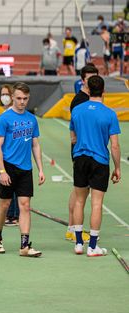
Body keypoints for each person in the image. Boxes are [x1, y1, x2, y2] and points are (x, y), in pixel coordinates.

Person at [0, 82, 45, 257]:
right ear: (13, 97)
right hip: (8, 167)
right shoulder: (4, 119)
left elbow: (35, 145)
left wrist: (41, 169)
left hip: (25, 169)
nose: (22, 102)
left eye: (25, 99)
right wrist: (2, 171)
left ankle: (24, 246)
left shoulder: (31, 119)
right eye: (19, 98)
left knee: (25, 206)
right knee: (5, 204)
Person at [70, 75, 121, 256]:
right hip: (99, 160)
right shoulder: (109, 114)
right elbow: (114, 145)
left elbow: (73, 138)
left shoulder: (77, 110)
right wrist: (117, 168)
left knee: (79, 201)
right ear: (103, 91)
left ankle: (78, 243)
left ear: (88, 90)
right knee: (97, 204)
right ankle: (92, 246)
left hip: (80, 158)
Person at [65, 64, 99, 243]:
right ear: (83, 80)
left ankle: (72, 227)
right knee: (81, 193)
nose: (92, 81)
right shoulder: (80, 100)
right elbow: (77, 130)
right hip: (82, 150)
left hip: (87, 150)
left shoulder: (92, 99)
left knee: (79, 190)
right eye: (88, 78)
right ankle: (72, 228)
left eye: (95, 77)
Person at [0, 84, 20, 227]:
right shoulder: (3, 114)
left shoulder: (11, 114)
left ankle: (13, 215)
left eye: (7, 94)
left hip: (12, 156)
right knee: (9, 186)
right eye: (2, 94)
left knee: (12, 186)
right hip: (5, 154)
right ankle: (12, 214)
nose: (4, 97)